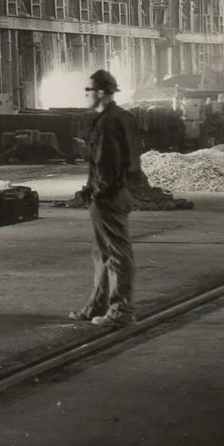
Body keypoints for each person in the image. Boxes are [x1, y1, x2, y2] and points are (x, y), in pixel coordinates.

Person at [72, 69, 139, 326]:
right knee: (102, 252)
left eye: (88, 90)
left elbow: (107, 162)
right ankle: (96, 306)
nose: (86, 95)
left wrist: (97, 192)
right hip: (121, 192)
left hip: (109, 195)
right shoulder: (124, 117)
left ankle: (121, 311)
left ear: (100, 92)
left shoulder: (107, 122)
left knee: (115, 253)